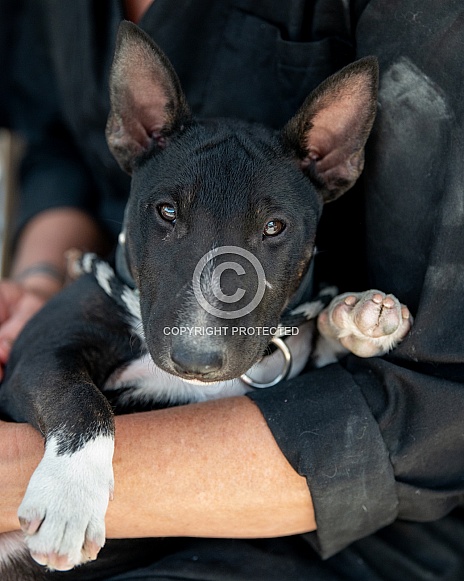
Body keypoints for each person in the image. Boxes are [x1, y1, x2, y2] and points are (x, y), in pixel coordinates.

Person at [1, 0, 464, 579]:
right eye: (168, 212)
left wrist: (21, 468)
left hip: (312, 518)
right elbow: (56, 141)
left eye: (273, 230)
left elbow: (434, 413)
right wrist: (37, 280)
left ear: (334, 161)